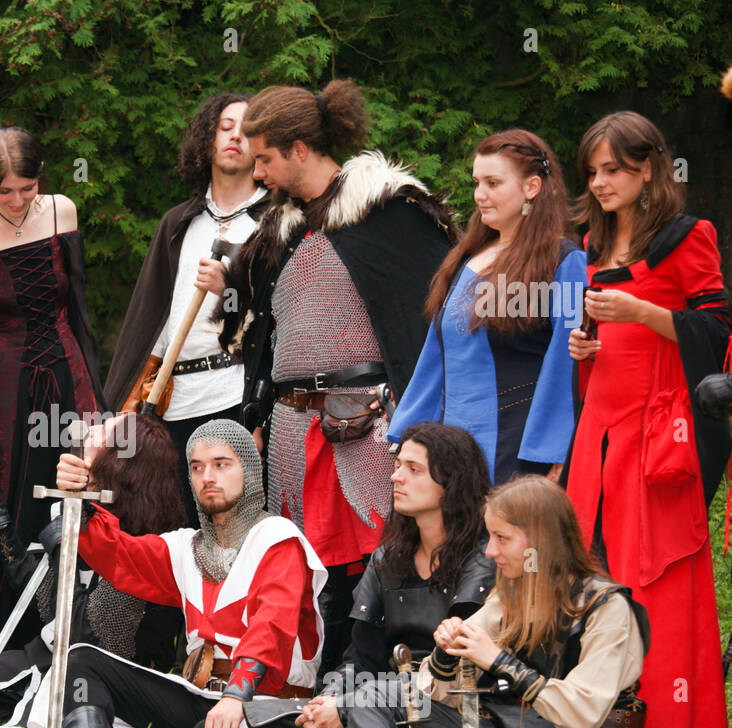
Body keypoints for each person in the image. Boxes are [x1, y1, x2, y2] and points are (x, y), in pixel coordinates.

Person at [216, 80, 455, 680]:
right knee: (312, 568)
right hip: (297, 425)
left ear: (300, 149)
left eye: (265, 158)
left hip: (372, 422)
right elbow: (263, 334)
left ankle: (387, 686)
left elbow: (427, 325)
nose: (259, 173)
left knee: (386, 559)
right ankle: (319, 689)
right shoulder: (280, 231)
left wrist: (417, 417)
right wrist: (261, 414)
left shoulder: (388, 213)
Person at [564, 112, 730, 728]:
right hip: (598, 433)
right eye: (593, 172)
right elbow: (607, 349)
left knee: (657, 580)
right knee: (594, 575)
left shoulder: (690, 237)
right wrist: (587, 346)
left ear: (648, 169)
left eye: (613, 170)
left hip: (657, 433)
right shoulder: (589, 243)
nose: (600, 183)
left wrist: (641, 313)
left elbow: (717, 331)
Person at [339, 476, 651, 728]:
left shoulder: (606, 607)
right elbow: (433, 687)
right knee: (379, 695)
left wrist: (499, 661)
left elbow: (583, 716)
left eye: (502, 538)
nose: (490, 551)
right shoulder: (511, 595)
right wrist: (447, 653)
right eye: (491, 537)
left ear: (541, 543)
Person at [37, 419, 324, 728]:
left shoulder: (278, 538)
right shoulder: (186, 548)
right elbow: (118, 555)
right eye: (197, 467)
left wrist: (235, 697)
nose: (208, 477)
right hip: (199, 699)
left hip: (264, 707)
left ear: (248, 469)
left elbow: (271, 628)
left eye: (221, 464)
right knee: (80, 662)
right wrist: (80, 497)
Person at [0, 127, 105, 676]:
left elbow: (78, 310)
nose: (15, 200)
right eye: (4, 190)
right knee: (10, 507)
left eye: (26, 188)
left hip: (65, 371)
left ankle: (79, 643)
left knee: (77, 493)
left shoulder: (61, 211)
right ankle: (0, 656)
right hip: (6, 389)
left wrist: (94, 399)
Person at [0, 413, 185, 728]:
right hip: (39, 654)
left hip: (83, 674)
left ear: (121, 459)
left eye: (104, 430)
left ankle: (13, 721)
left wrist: (63, 542)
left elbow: (80, 640)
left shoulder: (142, 546)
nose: (90, 429)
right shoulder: (85, 509)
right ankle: (11, 714)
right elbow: (40, 596)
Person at [104, 93, 270, 521]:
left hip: (236, 395)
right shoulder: (179, 224)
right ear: (207, 140)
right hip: (174, 401)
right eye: (225, 126)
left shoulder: (274, 223)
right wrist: (127, 399)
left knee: (234, 526)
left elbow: (279, 320)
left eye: (246, 128)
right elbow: (153, 320)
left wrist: (231, 288)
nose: (235, 136)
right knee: (173, 527)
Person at [293, 423, 494, 728]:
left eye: (413, 470)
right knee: (283, 723)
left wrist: (349, 706)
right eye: (398, 465)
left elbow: (461, 672)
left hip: (452, 712)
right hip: (376, 704)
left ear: (452, 482)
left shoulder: (485, 560)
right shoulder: (388, 558)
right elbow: (361, 658)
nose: (395, 477)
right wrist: (328, 698)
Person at [389, 130, 585, 483]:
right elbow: (435, 360)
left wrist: (554, 453)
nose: (480, 195)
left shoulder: (565, 262)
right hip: (450, 456)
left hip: (518, 454)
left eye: (493, 183)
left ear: (532, 187)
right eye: (477, 182)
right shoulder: (465, 260)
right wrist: (409, 437)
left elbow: (566, 364)